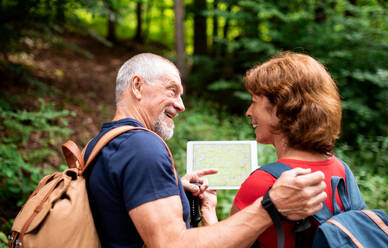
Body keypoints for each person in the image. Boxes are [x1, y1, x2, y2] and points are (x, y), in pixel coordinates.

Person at [83, 52, 327, 248]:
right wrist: (270, 206)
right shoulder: (142, 146)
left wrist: (174, 187)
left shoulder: (100, 143)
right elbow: (171, 244)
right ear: (137, 86)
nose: (181, 105)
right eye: (172, 90)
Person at [231, 52, 364, 247]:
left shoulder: (263, 183)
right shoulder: (342, 171)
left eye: (253, 101)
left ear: (280, 108)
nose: (248, 112)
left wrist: (208, 211)